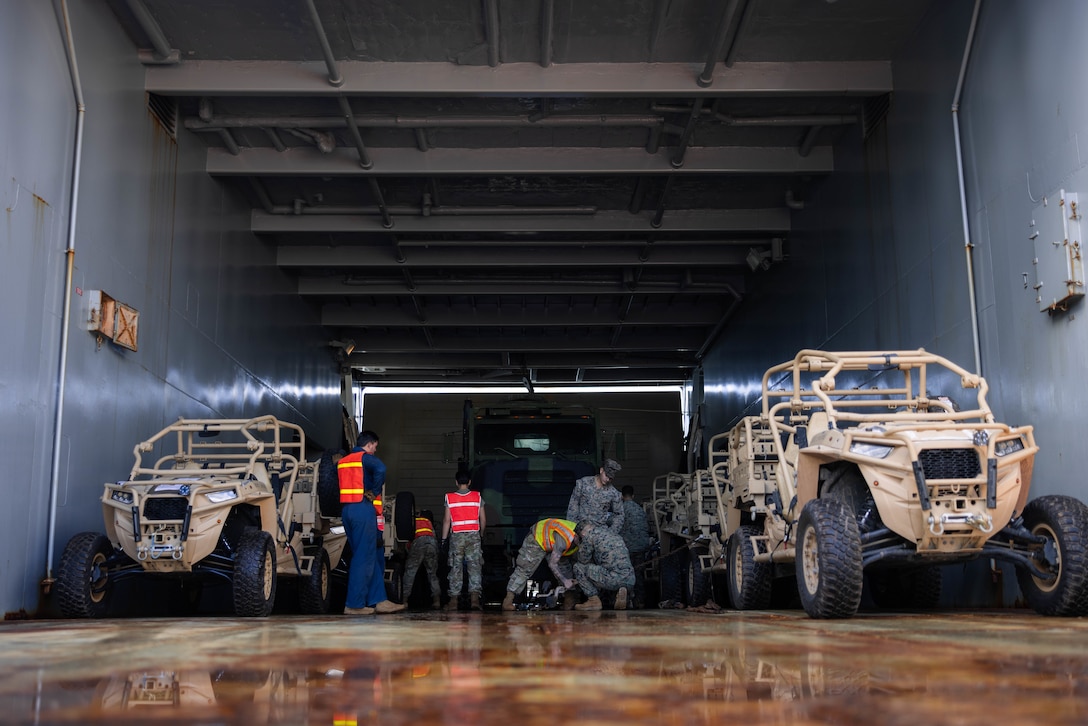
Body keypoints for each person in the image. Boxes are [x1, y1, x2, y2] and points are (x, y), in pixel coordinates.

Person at [337, 430, 406, 615]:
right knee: (363, 558)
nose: (374, 451)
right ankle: (354, 604)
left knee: (371, 557)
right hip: (362, 509)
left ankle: (378, 600)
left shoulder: (343, 461)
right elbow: (381, 469)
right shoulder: (364, 457)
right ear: (370, 444)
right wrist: (374, 491)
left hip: (347, 510)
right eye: (374, 447)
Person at [502, 518, 580, 612]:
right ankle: (508, 600)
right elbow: (552, 564)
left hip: (554, 542)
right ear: (576, 538)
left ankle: (569, 600)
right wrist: (564, 580)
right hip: (538, 538)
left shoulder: (584, 535)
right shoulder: (564, 539)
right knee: (525, 568)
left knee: (564, 569)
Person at [442, 470, 486, 610]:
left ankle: (454, 601)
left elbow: (446, 521)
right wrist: (481, 535)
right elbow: (483, 519)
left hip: (457, 537)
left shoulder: (450, 498)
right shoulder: (477, 497)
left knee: (456, 568)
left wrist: (443, 540)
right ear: (469, 482)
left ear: (456, 482)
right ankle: (474, 601)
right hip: (474, 536)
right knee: (475, 567)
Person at [571, 521, 635, 611]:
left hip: (612, 579)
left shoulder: (589, 536)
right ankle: (626, 597)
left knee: (578, 567)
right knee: (611, 568)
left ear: (582, 533)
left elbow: (583, 560)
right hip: (630, 578)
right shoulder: (613, 534)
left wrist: (579, 544)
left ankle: (593, 601)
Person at [566, 458, 624, 534]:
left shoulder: (613, 493)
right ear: (601, 470)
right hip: (580, 529)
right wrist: (572, 528)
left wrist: (611, 532)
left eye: (610, 478)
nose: (607, 479)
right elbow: (573, 506)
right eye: (606, 475)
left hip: (600, 532)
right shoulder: (583, 483)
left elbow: (619, 515)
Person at [619, 485, 651, 609]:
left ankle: (625, 600)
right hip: (641, 547)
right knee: (638, 575)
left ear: (621, 496)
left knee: (624, 574)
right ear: (633, 496)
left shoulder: (620, 510)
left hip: (626, 548)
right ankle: (639, 601)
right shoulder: (640, 510)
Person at [403, 509, 442, 609]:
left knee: (410, 572)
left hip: (418, 543)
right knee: (432, 574)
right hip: (432, 544)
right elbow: (434, 537)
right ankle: (436, 601)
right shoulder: (428, 522)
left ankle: (404, 601)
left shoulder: (411, 522)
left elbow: (407, 541)